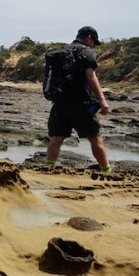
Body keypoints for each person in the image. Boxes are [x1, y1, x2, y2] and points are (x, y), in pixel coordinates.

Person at [45, 26, 112, 173]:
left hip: (60, 101)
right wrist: (102, 99)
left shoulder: (63, 51)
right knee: (95, 138)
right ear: (88, 37)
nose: (94, 45)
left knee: (57, 137)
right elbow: (90, 76)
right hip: (80, 102)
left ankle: (48, 168)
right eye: (94, 41)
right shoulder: (87, 52)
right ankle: (106, 170)